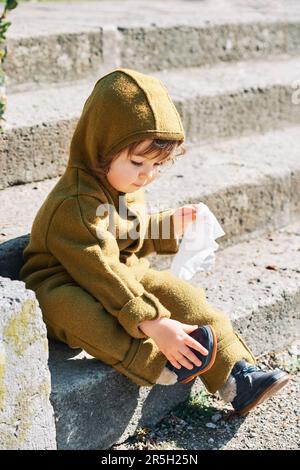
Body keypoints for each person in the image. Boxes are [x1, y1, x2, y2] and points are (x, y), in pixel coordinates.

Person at [19, 68, 289, 417]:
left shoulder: (126, 187)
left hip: (120, 273)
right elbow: (99, 270)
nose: (147, 174)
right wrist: (154, 323)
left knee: (183, 295)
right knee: (80, 313)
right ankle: (161, 362)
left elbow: (130, 237)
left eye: (158, 164)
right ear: (100, 146)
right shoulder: (73, 203)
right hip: (60, 283)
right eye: (137, 162)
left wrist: (168, 227)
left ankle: (237, 375)